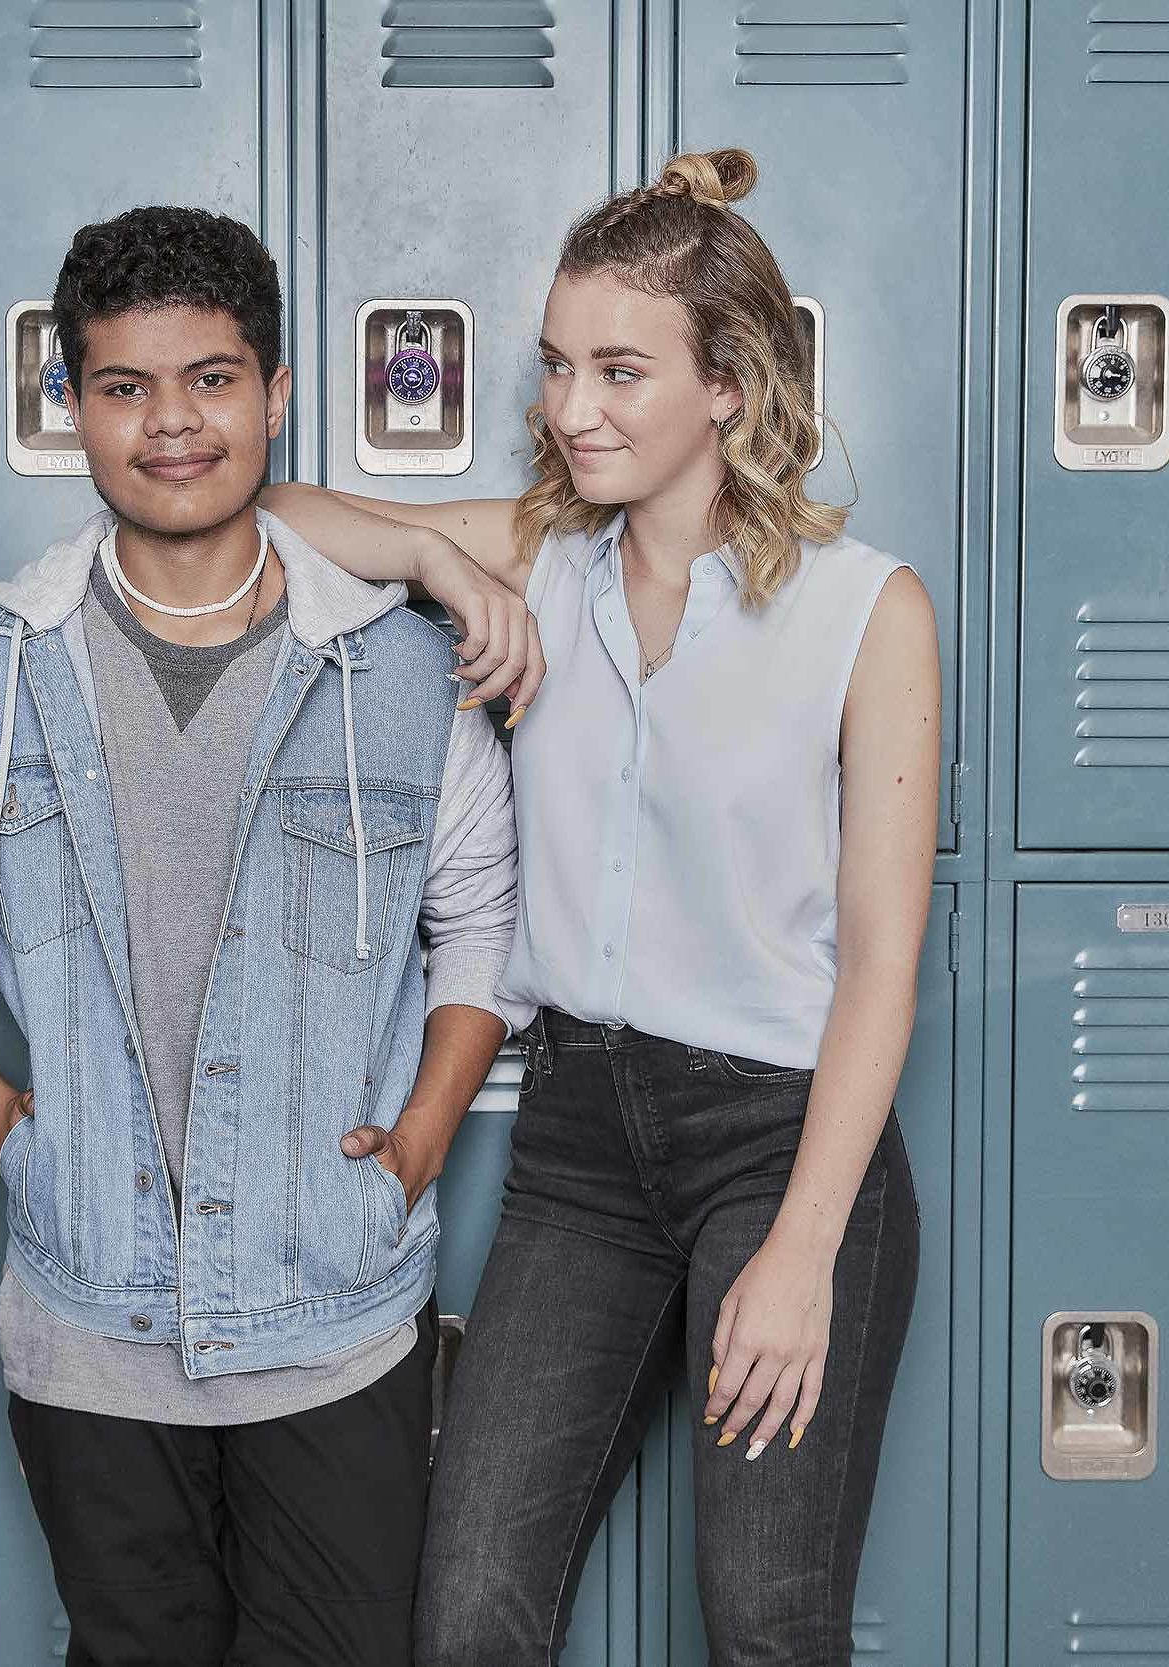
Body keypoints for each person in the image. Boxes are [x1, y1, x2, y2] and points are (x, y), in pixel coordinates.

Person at [0, 204, 530, 1667]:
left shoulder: (400, 675)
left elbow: (483, 924)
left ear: (277, 396)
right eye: (124, 387)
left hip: (333, 1313)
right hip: (91, 1322)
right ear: (71, 406)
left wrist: (423, 1139)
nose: (171, 426)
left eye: (211, 379)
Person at [260, 148, 939, 1665]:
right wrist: (441, 551)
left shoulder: (866, 612)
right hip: (581, 1141)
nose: (572, 408)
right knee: (472, 1614)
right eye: (560, 365)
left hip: (781, 1145)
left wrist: (805, 1250)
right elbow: (282, 516)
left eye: (622, 369)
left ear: (733, 392)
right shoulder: (547, 562)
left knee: (766, 1620)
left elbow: (884, 966)